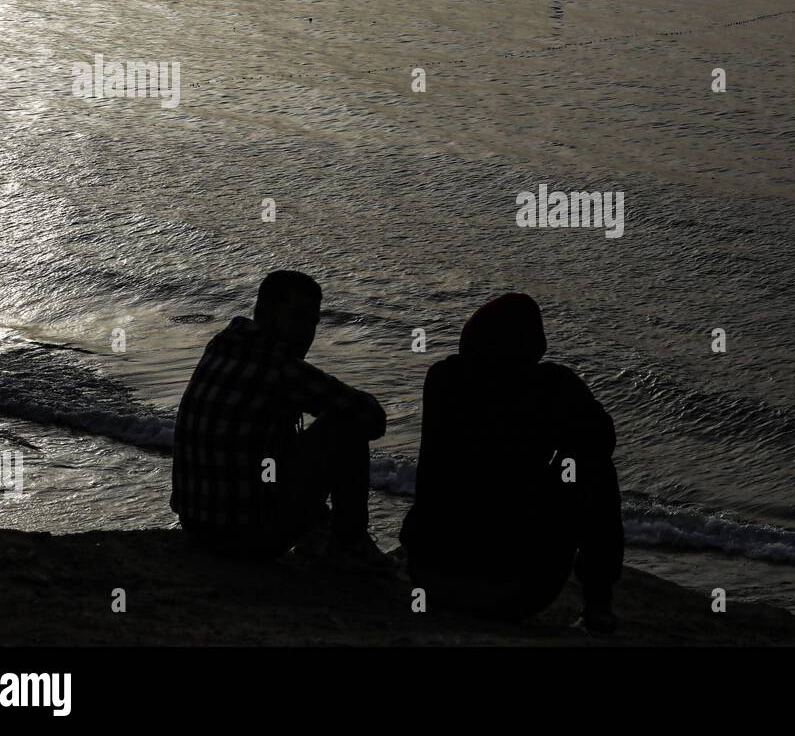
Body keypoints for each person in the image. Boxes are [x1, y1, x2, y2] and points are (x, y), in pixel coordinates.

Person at [399, 293, 623, 632]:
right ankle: (598, 604)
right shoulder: (552, 385)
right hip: (512, 590)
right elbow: (602, 440)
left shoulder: (443, 378)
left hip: (429, 575)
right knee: (593, 469)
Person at [171, 271, 392, 569]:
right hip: (244, 538)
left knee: (272, 429)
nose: (306, 332)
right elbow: (372, 418)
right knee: (345, 427)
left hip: (195, 525)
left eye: (312, 322)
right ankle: (348, 545)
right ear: (264, 312)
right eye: (297, 317)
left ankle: (318, 531)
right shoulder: (281, 368)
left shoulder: (223, 343)